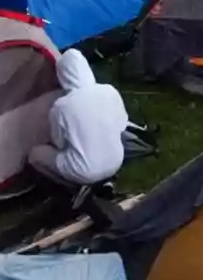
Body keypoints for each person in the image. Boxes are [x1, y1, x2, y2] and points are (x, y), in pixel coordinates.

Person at [27, 50, 129, 188]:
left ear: (62, 75)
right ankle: (103, 183)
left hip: (82, 171)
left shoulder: (61, 106)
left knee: (35, 155)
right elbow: (122, 126)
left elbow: (59, 143)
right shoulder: (109, 91)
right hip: (116, 161)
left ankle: (72, 187)